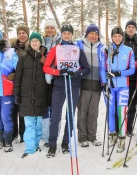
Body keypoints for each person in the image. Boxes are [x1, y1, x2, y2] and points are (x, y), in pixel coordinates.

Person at [43, 24, 91, 157]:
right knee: (56, 116)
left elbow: (87, 69)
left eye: (69, 33)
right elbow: (46, 67)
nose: (66, 35)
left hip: (73, 84)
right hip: (59, 85)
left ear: (72, 35)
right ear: (61, 34)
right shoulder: (55, 49)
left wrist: (77, 73)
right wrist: (58, 72)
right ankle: (52, 145)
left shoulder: (77, 49)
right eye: (64, 33)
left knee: (70, 115)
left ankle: (65, 143)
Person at [13, 32, 50, 158]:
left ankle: (36, 144)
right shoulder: (23, 56)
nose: (35, 43)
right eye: (33, 41)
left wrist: (49, 95)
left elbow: (49, 78)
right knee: (29, 124)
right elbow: (18, 77)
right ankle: (29, 148)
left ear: (40, 43)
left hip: (41, 95)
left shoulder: (45, 57)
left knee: (38, 123)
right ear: (30, 42)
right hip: (26, 95)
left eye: (37, 41)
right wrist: (16, 93)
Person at [100, 26, 135, 153]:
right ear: (112, 37)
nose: (117, 38)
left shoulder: (129, 50)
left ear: (123, 36)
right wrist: (104, 83)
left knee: (121, 112)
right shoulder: (106, 50)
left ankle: (121, 138)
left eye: (119, 36)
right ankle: (112, 135)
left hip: (123, 86)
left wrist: (119, 73)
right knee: (111, 111)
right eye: (115, 36)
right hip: (110, 86)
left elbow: (132, 70)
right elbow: (102, 68)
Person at [76, 24, 104, 147]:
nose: (94, 36)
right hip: (83, 82)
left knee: (93, 112)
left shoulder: (102, 48)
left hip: (97, 84)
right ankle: (82, 137)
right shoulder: (79, 45)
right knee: (82, 111)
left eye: (96, 34)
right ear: (86, 34)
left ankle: (92, 136)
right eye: (91, 33)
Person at [42, 19, 61, 147]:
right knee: (45, 107)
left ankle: (54, 134)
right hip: (42, 79)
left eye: (52, 28)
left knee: (55, 107)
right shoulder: (41, 41)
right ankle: (45, 135)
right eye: (47, 27)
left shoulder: (60, 42)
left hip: (57, 78)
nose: (49, 30)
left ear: (55, 29)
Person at [10, 25, 30, 143]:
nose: (22, 35)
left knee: (23, 110)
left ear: (27, 34)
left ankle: (23, 135)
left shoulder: (32, 46)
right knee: (13, 110)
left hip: (25, 83)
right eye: (19, 33)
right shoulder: (11, 48)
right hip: (13, 82)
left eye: (24, 33)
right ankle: (13, 134)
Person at [123, 20, 137, 137]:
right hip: (123, 77)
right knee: (122, 104)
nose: (131, 29)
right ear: (126, 28)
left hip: (135, 77)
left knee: (132, 104)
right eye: (129, 27)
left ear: (135, 29)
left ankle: (129, 127)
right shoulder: (121, 40)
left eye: (133, 27)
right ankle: (120, 126)